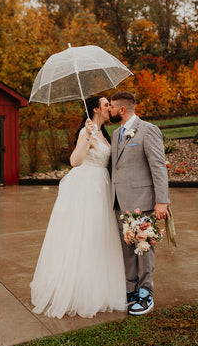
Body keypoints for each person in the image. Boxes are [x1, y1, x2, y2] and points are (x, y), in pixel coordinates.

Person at [30, 96, 126, 318]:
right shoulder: (88, 132)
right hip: (87, 188)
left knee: (100, 236)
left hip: (102, 187)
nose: (109, 108)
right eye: (105, 105)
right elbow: (75, 161)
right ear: (95, 109)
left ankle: (100, 289)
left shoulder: (103, 133)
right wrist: (86, 137)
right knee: (84, 235)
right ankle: (79, 292)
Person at [109, 91, 170, 316]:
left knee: (144, 248)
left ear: (122, 110)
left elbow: (158, 167)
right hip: (119, 202)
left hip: (142, 201)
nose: (110, 111)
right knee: (127, 249)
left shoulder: (148, 130)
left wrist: (162, 201)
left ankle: (146, 294)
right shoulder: (115, 134)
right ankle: (132, 289)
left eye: (112, 107)